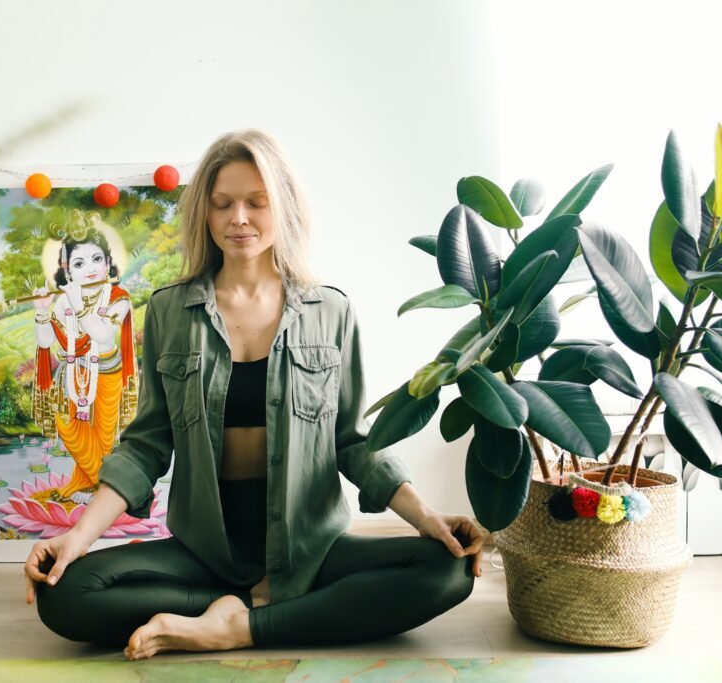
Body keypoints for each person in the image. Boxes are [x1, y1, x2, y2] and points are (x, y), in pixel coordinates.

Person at [24, 129, 484, 660]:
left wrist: (427, 517)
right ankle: (254, 607)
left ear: (282, 207)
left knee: (447, 570)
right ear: (206, 214)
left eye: (255, 202)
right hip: (206, 549)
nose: (238, 218)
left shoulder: (329, 311)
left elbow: (355, 440)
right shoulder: (173, 312)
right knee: (64, 596)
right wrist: (76, 539)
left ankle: (237, 627)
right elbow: (147, 444)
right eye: (223, 204)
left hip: (309, 546)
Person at [32, 228, 137, 501]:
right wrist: (42, 310)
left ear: (108, 262)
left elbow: (102, 334)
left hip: (107, 371)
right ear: (68, 272)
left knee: (103, 438)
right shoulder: (62, 301)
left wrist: (79, 306)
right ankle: (107, 490)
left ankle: (94, 488)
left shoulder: (118, 297)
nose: (89, 269)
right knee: (68, 427)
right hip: (71, 375)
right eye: (79, 263)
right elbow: (45, 344)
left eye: (96, 259)